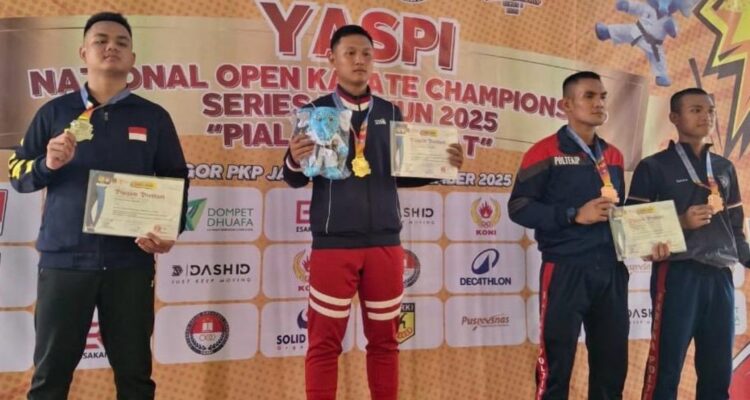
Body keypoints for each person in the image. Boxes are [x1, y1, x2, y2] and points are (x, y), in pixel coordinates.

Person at [8, 12, 189, 400]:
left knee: (135, 377)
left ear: (133, 58)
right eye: (101, 40)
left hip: (130, 264)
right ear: (83, 53)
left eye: (121, 42)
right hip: (64, 262)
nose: (111, 47)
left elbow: (175, 178)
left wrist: (168, 230)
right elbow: (17, 173)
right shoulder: (54, 112)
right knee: (49, 379)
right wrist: (47, 163)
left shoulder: (154, 117)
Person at [283, 24, 463, 400]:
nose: (359, 60)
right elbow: (295, 178)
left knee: (384, 342)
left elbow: (399, 173)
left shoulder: (390, 111)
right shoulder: (314, 112)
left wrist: (439, 165)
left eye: (366, 53)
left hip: (385, 244)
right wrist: (294, 159)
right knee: (323, 344)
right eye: (350, 53)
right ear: (332, 59)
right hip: (333, 245)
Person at [508, 71, 629, 399]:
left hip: (612, 270)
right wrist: (574, 214)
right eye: (589, 96)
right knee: (556, 366)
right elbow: (518, 207)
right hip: (565, 269)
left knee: (611, 367)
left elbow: (620, 212)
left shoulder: (613, 155)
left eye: (602, 96)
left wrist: (644, 237)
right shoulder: (544, 151)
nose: (599, 103)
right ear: (566, 105)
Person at [626, 88, 749, 400]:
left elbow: (736, 229)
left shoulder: (723, 168)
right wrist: (680, 221)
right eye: (695, 110)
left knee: (717, 372)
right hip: (677, 274)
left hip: (720, 278)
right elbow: (630, 225)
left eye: (710, 110)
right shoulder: (654, 166)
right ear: (674, 118)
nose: (706, 116)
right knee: (665, 369)